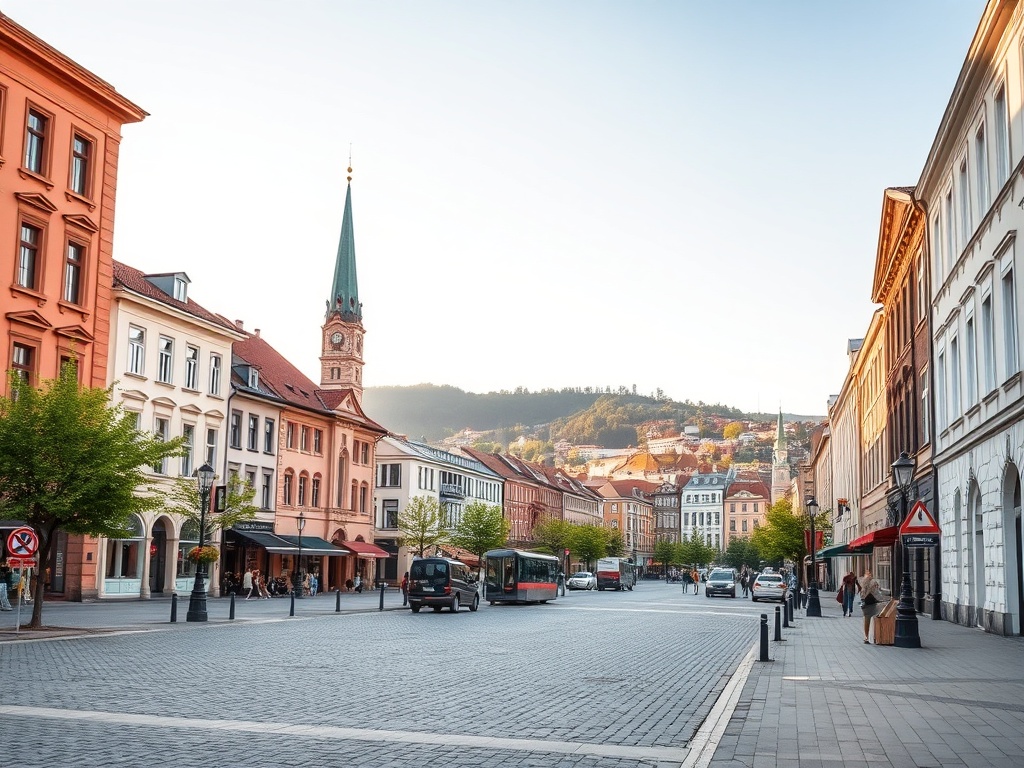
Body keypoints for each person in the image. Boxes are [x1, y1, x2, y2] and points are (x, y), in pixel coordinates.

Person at [859, 568, 884, 643]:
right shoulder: (873, 582)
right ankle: (875, 636)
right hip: (871, 603)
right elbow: (876, 592)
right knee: (876, 618)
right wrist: (881, 599)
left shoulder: (863, 582)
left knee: (867, 620)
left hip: (865, 603)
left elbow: (862, 593)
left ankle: (866, 637)